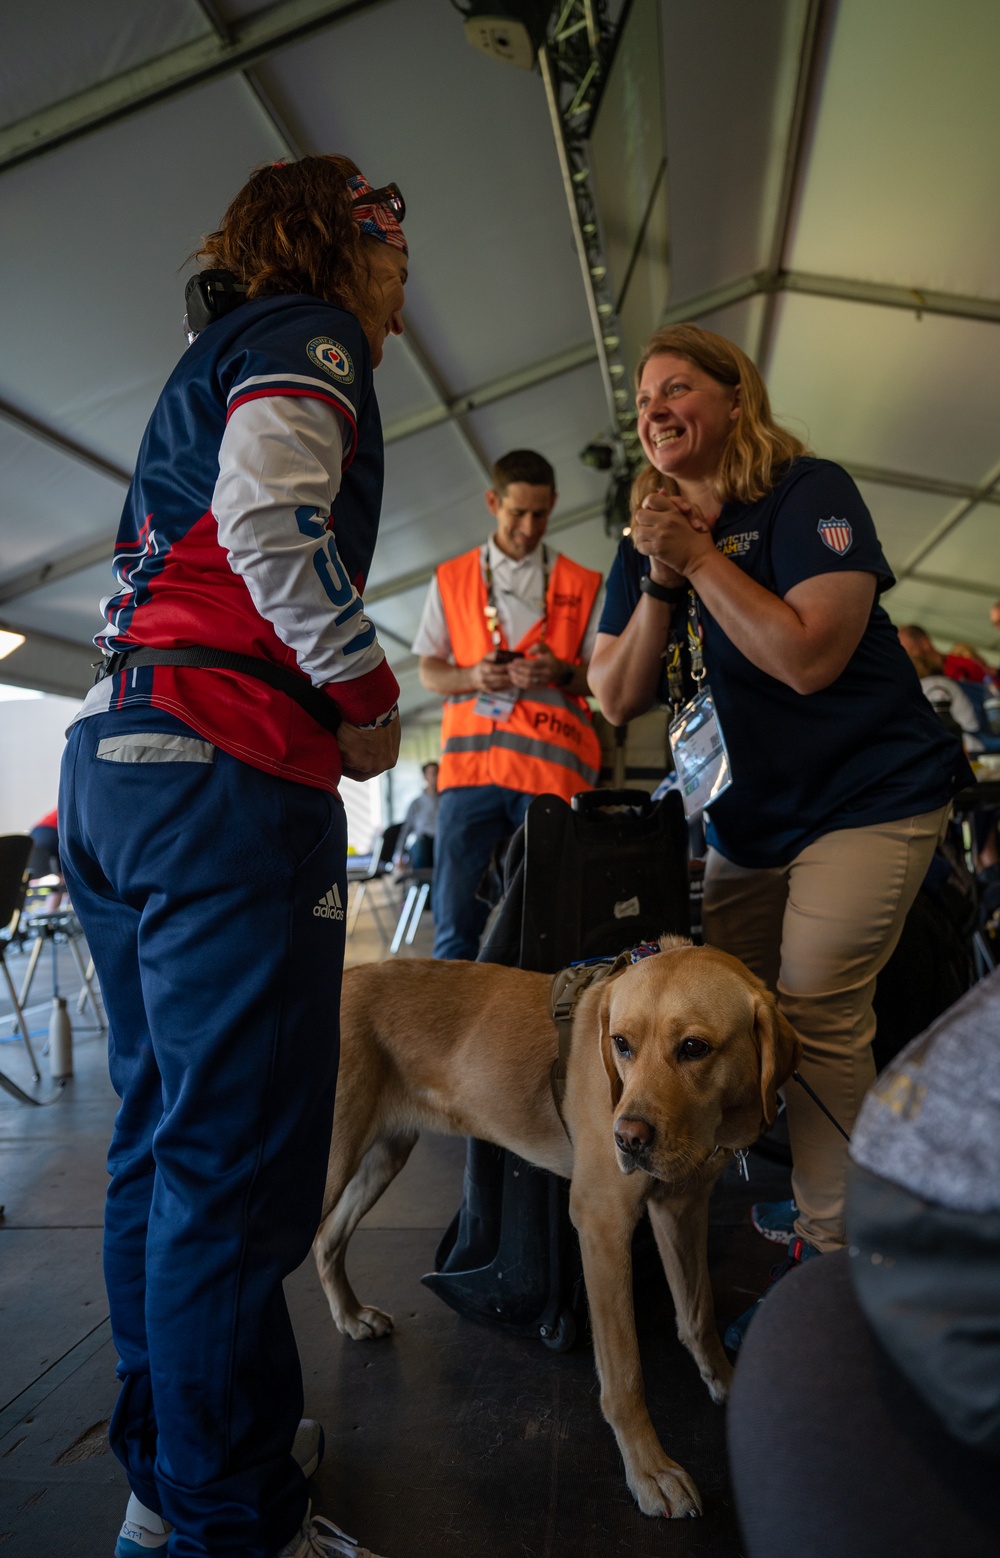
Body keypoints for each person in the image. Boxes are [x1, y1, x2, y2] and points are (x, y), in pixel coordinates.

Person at [58, 156, 405, 1558]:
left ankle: (185, 1465)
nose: (400, 277)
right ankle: (225, 1515)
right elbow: (270, 521)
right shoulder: (302, 335)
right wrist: (370, 696)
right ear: (341, 239)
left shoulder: (215, 352)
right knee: (235, 1168)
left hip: (122, 763)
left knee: (161, 1151)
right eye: (390, 239)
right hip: (222, 770)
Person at [587, 323, 973, 1346]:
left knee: (811, 1007)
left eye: (677, 388)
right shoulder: (652, 536)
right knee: (729, 1015)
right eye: (642, 400)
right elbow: (613, 691)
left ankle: (838, 1261)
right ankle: (801, 1185)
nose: (655, 408)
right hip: (751, 821)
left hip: (871, 797)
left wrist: (702, 555)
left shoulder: (807, 494)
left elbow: (808, 657)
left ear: (730, 397)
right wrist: (663, 576)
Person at [728, 967, 1000, 1558]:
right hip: (910, 1218)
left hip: (924, 1228)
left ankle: (824, 1228)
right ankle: (815, 1203)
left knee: (813, 999)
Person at [413, 449, 603, 960]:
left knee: (548, 929)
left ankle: (536, 1037)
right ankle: (450, 1039)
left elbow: (604, 681)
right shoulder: (451, 579)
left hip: (549, 779)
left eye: (540, 514)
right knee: (455, 927)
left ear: (555, 504)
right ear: (493, 502)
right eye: (517, 513)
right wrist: (473, 674)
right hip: (469, 777)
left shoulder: (583, 584)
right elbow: (429, 670)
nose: (528, 527)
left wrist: (561, 672)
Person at [392, 759, 439, 871]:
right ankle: (422, 881)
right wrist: (399, 854)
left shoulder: (447, 801)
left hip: (441, 842)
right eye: (433, 773)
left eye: (438, 773)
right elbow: (406, 830)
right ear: (425, 777)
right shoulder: (416, 804)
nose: (436, 777)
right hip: (423, 844)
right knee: (420, 845)